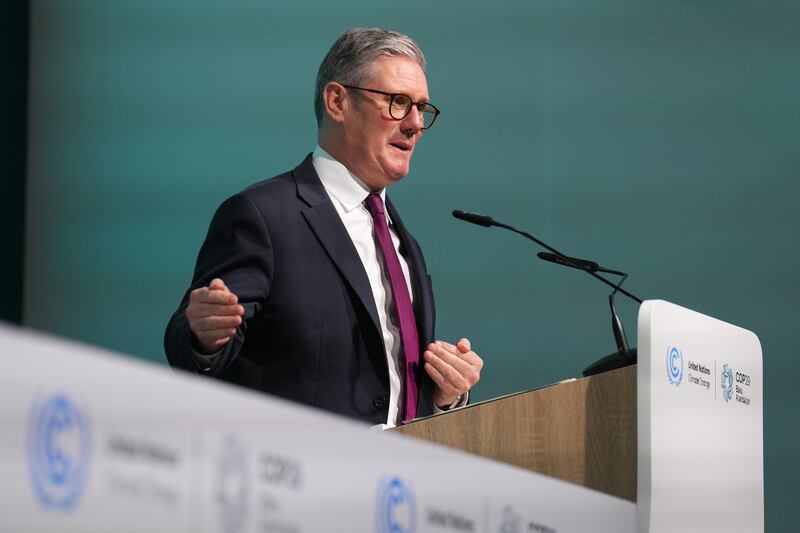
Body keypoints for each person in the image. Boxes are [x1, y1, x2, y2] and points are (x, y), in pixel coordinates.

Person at [165, 27, 483, 427]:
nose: (415, 124)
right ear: (337, 101)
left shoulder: (406, 245)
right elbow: (188, 349)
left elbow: (390, 389)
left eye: (422, 108)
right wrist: (203, 336)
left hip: (397, 483)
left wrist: (444, 395)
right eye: (399, 103)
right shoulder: (264, 216)